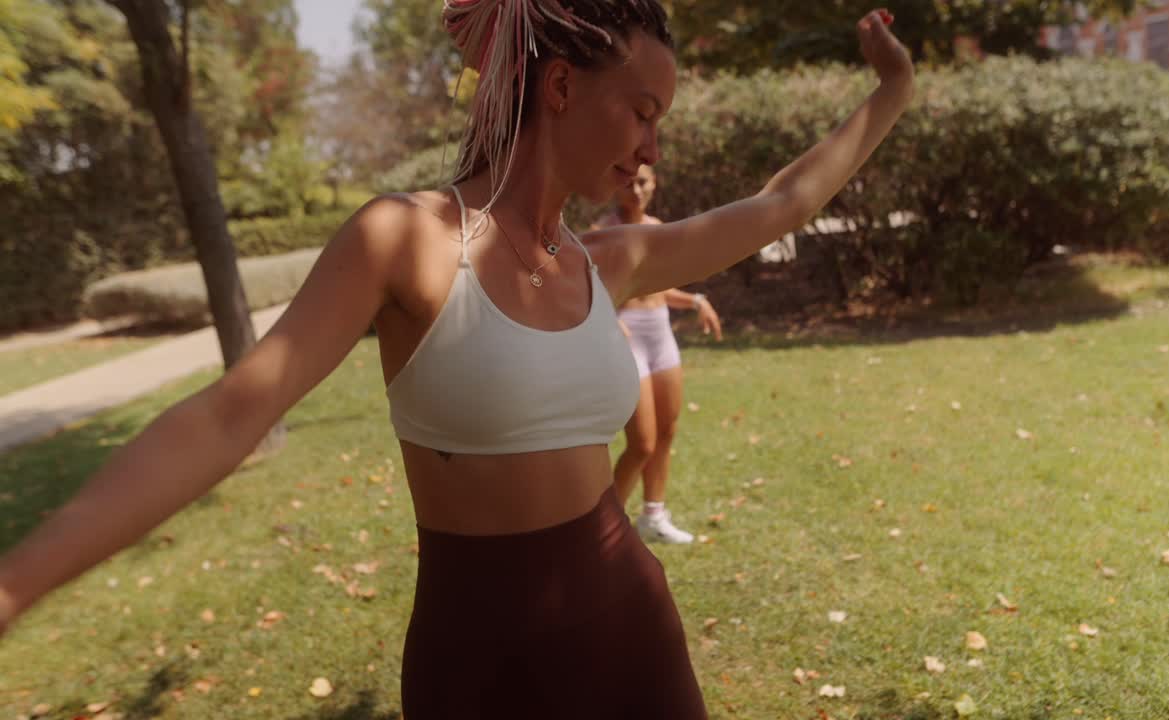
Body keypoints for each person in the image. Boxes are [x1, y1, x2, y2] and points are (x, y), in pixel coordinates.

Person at [0, 2, 913, 717]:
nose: (652, 146)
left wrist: (892, 92)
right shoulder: (404, 238)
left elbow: (783, 202)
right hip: (478, 666)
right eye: (641, 111)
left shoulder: (610, 261)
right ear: (558, 87)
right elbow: (232, 413)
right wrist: (14, 586)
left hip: (631, 629)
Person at [593, 165, 723, 544]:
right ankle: (600, 528)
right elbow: (583, 287)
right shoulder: (603, 233)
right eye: (629, 182)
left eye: (643, 182)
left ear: (654, 185)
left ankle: (653, 516)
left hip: (660, 331)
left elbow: (658, 288)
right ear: (617, 186)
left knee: (666, 432)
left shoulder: (657, 228)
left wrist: (696, 299)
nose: (635, 189)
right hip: (626, 333)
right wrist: (608, 318)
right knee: (642, 442)